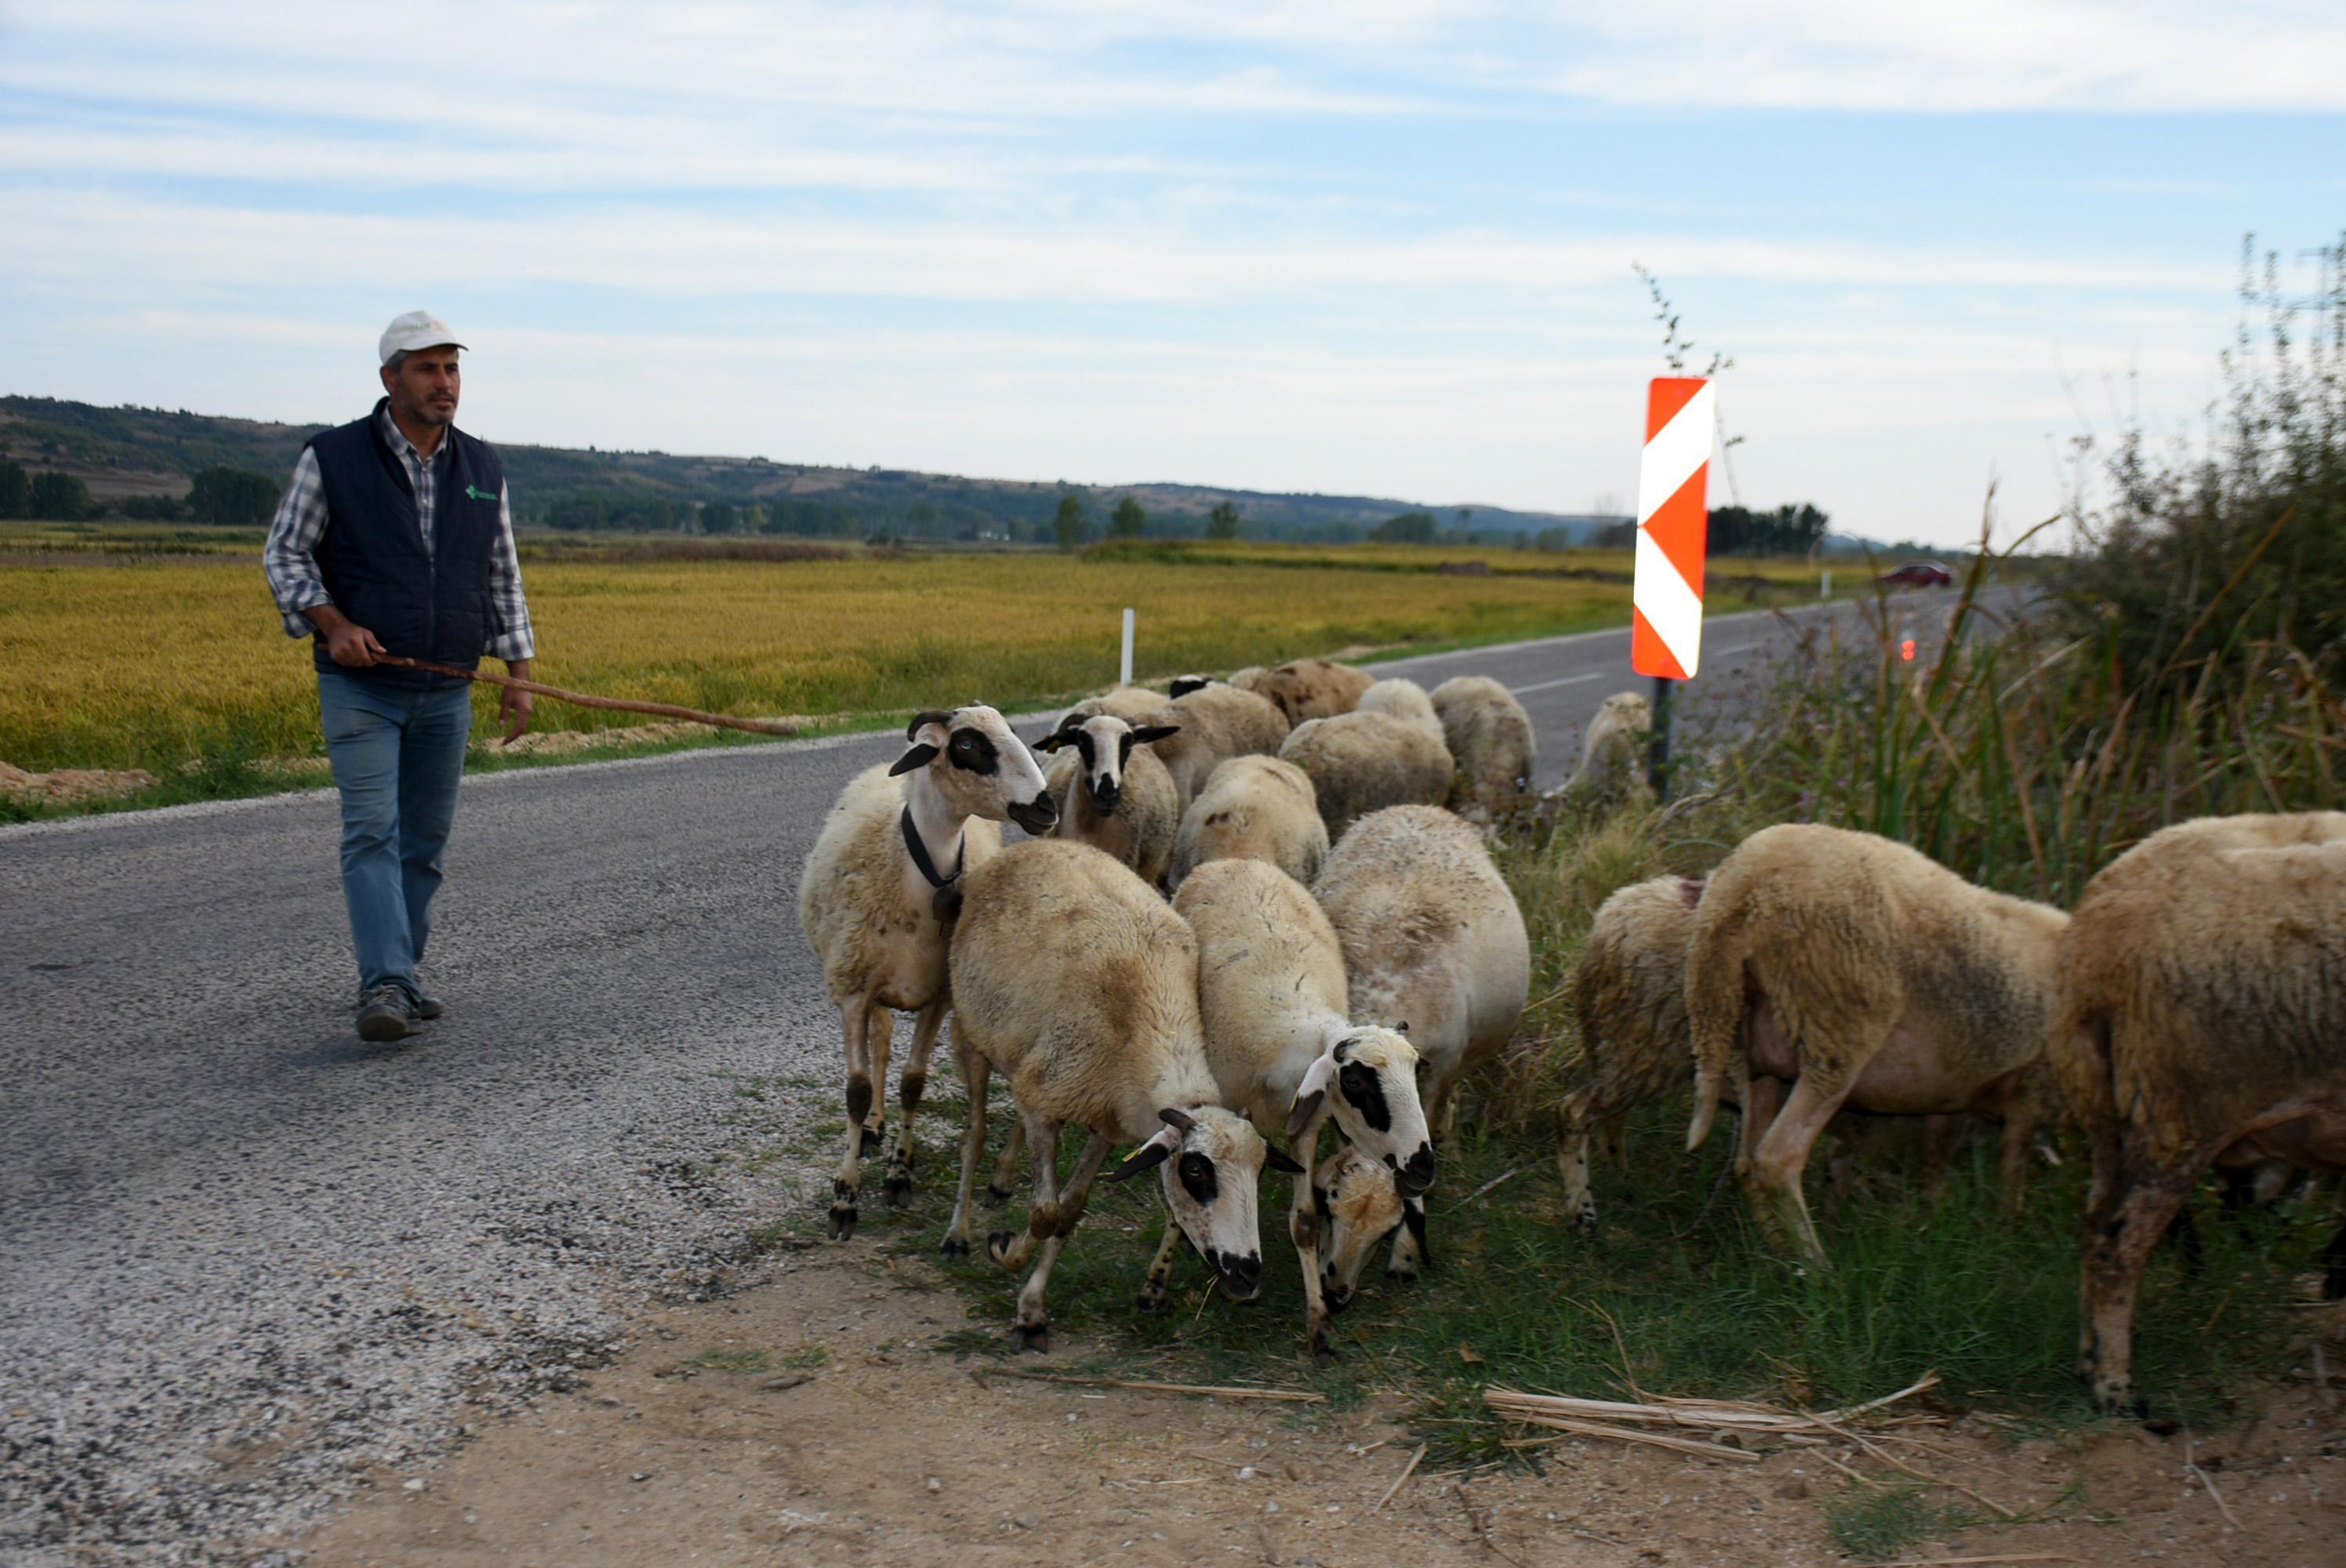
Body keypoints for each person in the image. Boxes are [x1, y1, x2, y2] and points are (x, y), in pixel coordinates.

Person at [263, 310, 536, 1041]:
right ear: (390, 380)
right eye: (427, 369)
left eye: (452, 368)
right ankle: (385, 982)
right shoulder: (333, 458)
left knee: (424, 843)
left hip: (448, 685)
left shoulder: (482, 467)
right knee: (372, 832)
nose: (444, 383)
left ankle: (400, 978)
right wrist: (332, 623)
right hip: (361, 687)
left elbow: (501, 573)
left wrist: (520, 670)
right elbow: (285, 554)